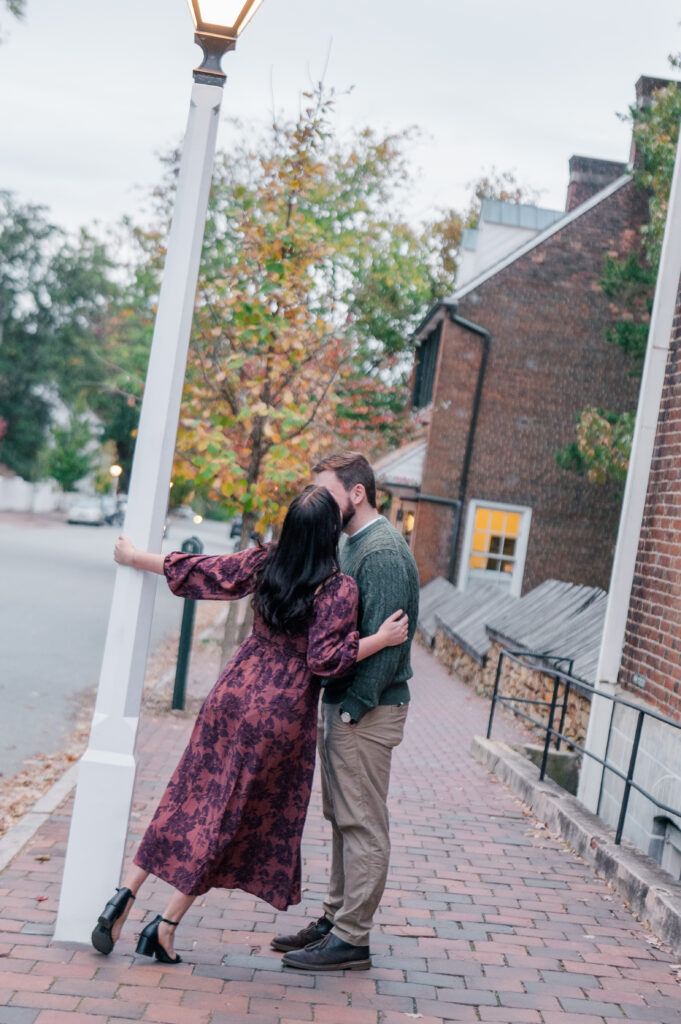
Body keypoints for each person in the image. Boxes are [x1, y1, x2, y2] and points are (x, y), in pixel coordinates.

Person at [91, 484, 408, 964]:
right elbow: (325, 660)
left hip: (232, 692)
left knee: (188, 798)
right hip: (278, 713)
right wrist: (379, 640)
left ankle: (124, 894)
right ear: (328, 534)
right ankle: (167, 925)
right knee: (227, 820)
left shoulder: (268, 560)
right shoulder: (336, 586)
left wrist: (136, 557)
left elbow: (204, 573)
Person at [273, 452, 419, 972]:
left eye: (327, 492)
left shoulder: (380, 552)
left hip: (367, 710)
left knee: (362, 824)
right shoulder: (351, 543)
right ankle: (335, 920)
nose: (319, 502)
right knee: (342, 819)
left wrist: (354, 708)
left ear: (357, 493)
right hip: (346, 706)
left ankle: (352, 938)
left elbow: (389, 641)